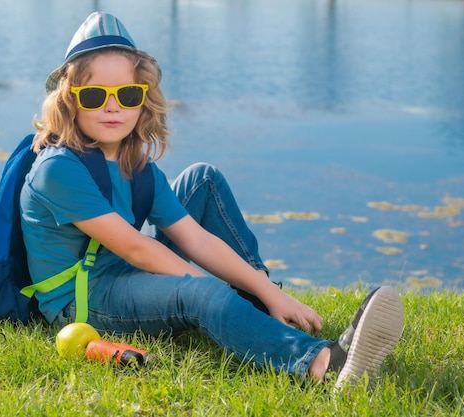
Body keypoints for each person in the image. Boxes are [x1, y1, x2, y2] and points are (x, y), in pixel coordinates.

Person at [20, 11, 404, 387]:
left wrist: (267, 292)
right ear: (69, 102)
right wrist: (208, 291)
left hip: (120, 271)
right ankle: (324, 365)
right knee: (202, 293)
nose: (113, 105)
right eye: (93, 95)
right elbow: (138, 250)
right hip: (85, 300)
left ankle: (255, 308)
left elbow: (197, 239)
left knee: (202, 180)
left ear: (143, 99)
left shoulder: (136, 165)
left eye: (128, 93)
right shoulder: (60, 169)